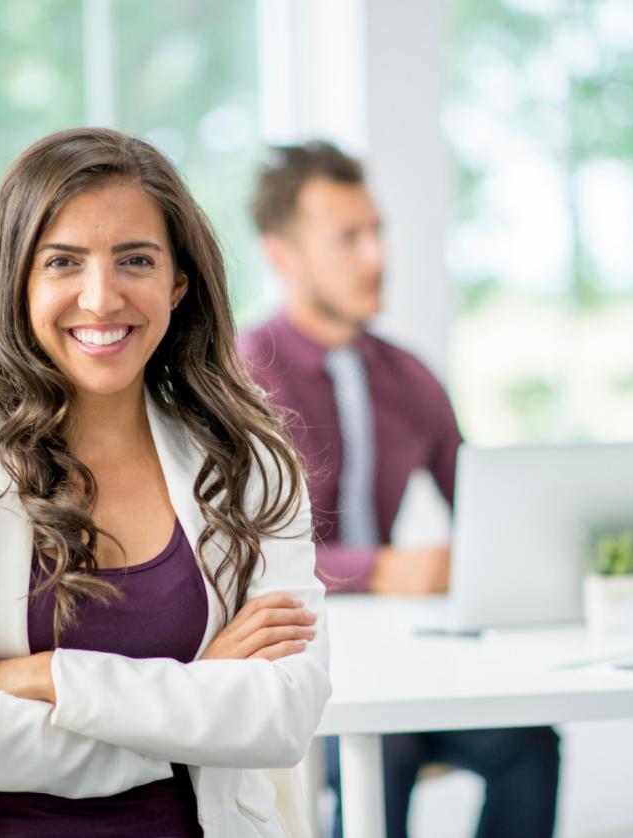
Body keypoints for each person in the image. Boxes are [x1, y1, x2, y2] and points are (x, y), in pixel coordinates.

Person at [0, 127, 330, 838]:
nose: (101, 295)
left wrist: (50, 676)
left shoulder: (255, 470)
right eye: (63, 262)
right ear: (18, 283)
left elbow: (281, 717)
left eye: (135, 259)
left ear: (178, 280)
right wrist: (195, 700)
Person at [239, 141, 559, 838]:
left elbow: (482, 511)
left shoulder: (408, 375)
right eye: (347, 239)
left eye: (376, 232)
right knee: (380, 754)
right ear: (282, 256)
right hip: (296, 661)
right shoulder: (241, 377)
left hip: (401, 655)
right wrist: (384, 568)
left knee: (530, 744)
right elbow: (243, 548)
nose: (375, 257)